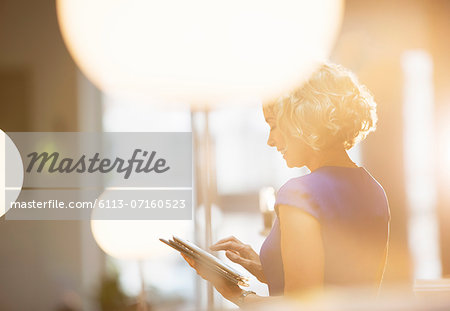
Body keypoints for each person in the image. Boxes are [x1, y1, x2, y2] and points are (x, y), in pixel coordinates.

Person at [181, 62, 390, 308]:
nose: (270, 140)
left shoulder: (300, 193)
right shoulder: (374, 189)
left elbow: (300, 306)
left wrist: (235, 293)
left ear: (302, 118)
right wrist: (266, 268)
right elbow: (340, 285)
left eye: (273, 125)